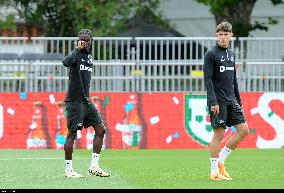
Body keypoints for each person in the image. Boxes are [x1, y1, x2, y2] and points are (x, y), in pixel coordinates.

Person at [203, 21, 248, 181]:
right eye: (220, 35)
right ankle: (214, 172)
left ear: (231, 35)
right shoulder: (211, 54)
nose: (222, 37)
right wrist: (212, 101)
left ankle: (221, 160)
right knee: (219, 134)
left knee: (243, 130)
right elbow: (208, 80)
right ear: (217, 36)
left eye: (225, 34)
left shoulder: (231, 54)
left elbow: (233, 79)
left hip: (232, 100)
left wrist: (239, 99)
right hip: (218, 101)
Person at [62, 29, 110, 178]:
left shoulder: (89, 57)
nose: (83, 41)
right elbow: (65, 62)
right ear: (78, 41)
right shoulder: (76, 55)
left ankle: (94, 166)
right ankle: (68, 170)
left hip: (86, 101)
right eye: (81, 39)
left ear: (91, 41)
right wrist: (77, 49)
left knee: (101, 129)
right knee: (72, 135)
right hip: (74, 101)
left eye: (86, 40)